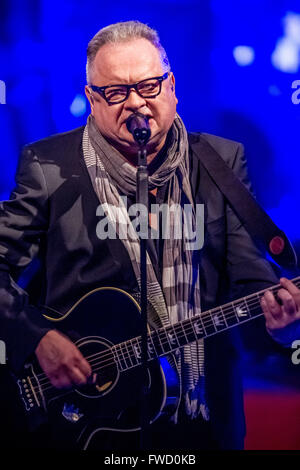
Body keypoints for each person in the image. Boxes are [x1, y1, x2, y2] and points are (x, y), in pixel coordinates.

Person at [0, 20, 299, 451]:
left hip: (201, 421)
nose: (137, 104)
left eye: (149, 86)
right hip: (83, 419)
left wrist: (286, 324)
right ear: (91, 99)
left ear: (172, 85)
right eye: (117, 93)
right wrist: (36, 340)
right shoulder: (48, 166)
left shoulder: (223, 161)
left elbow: (255, 284)